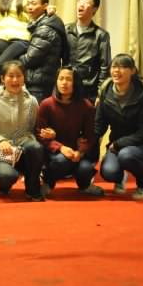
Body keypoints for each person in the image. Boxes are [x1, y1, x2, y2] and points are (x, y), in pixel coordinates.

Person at [96, 54, 143, 201]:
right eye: (114, 66)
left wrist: (118, 144)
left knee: (127, 156)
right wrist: (87, 142)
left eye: (123, 67)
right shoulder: (105, 93)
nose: (116, 71)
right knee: (109, 172)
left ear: (133, 71)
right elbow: (99, 125)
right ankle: (120, 177)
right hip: (117, 147)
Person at [0, 60, 45, 201]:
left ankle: (33, 190)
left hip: (24, 149)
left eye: (19, 76)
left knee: (36, 148)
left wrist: (46, 133)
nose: (15, 80)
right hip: (1, 152)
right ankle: (4, 185)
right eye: (11, 76)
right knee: (6, 176)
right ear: (2, 78)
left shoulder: (31, 101)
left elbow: (35, 128)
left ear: (24, 78)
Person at [36, 66, 104, 197]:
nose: (64, 83)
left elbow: (90, 135)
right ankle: (48, 182)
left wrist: (80, 152)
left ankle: (85, 186)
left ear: (75, 83)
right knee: (61, 161)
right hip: (54, 153)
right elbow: (40, 134)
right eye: (61, 79)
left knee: (85, 168)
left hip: (76, 152)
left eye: (68, 79)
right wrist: (60, 147)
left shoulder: (86, 106)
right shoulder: (46, 104)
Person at [18, 0, 68, 103]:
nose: (30, 7)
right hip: (39, 82)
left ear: (45, 6)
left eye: (33, 4)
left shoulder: (45, 28)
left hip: (39, 84)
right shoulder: (41, 24)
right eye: (28, 4)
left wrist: (13, 59)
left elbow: (30, 59)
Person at [66, 0, 111, 102]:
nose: (81, 5)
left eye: (86, 3)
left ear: (94, 9)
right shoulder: (66, 30)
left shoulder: (101, 35)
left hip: (89, 90)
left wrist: (100, 93)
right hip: (67, 87)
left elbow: (105, 66)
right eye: (80, 1)